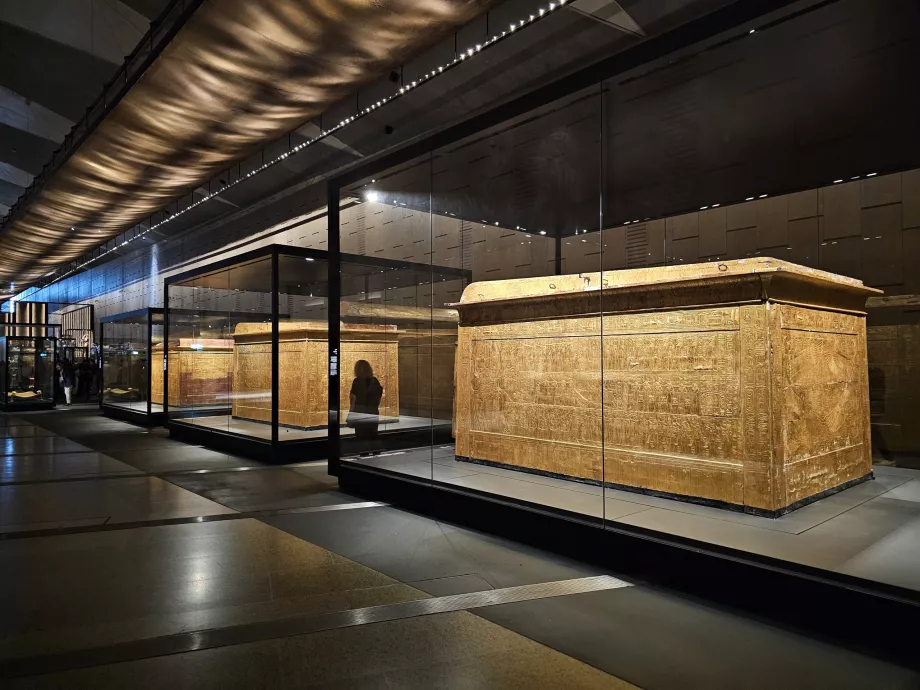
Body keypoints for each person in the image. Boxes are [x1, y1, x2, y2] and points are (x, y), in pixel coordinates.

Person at [348, 359, 383, 453]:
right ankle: (376, 451)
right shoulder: (375, 381)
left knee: (361, 435)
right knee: (373, 433)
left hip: (360, 411)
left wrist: (351, 413)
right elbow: (378, 397)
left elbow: (353, 399)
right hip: (372, 411)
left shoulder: (357, 381)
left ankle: (364, 452)